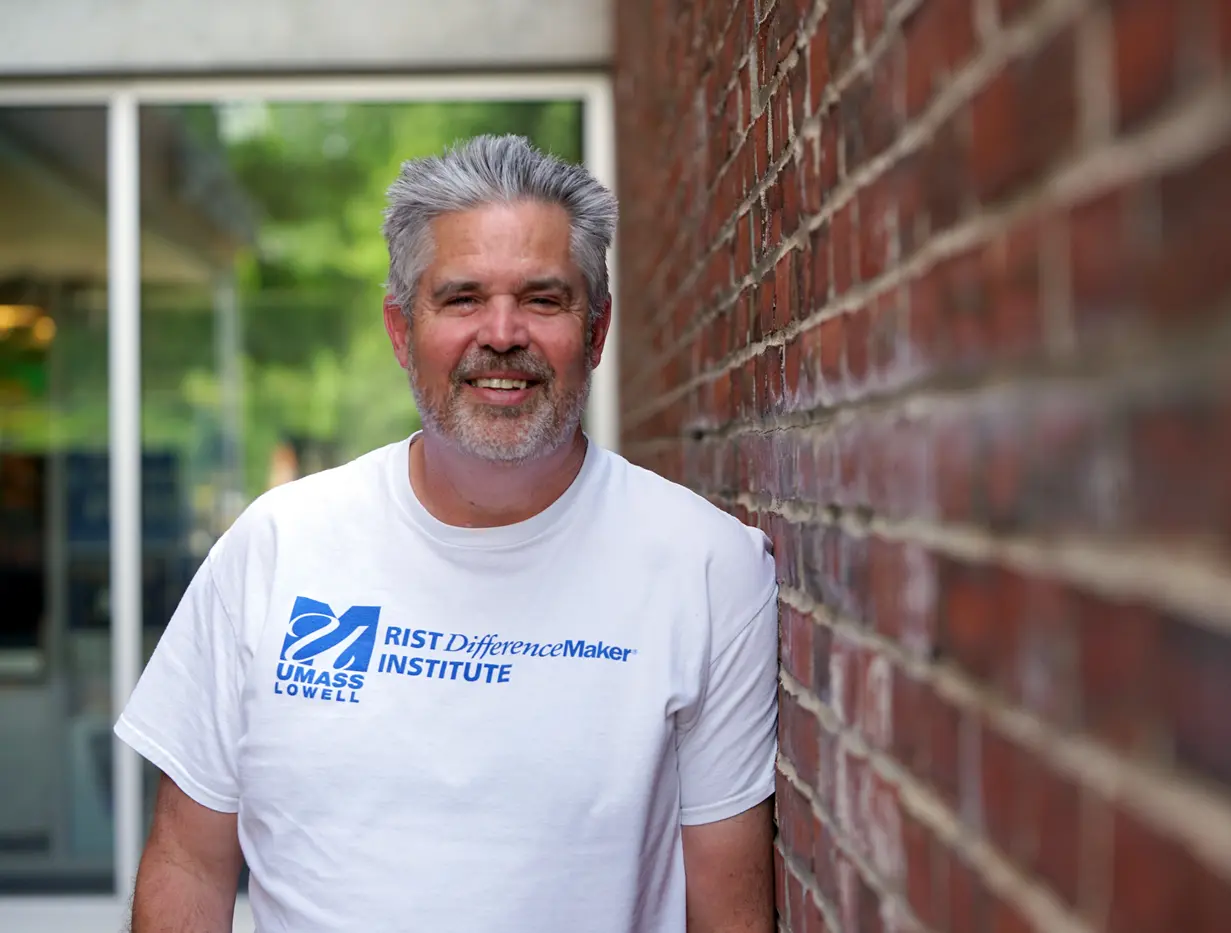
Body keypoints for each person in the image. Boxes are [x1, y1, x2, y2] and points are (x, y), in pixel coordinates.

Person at [115, 135, 779, 933]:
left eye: (543, 299)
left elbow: (729, 913)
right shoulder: (277, 547)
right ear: (401, 332)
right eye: (462, 298)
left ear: (597, 331)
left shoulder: (707, 568)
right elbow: (189, 863)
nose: (501, 333)